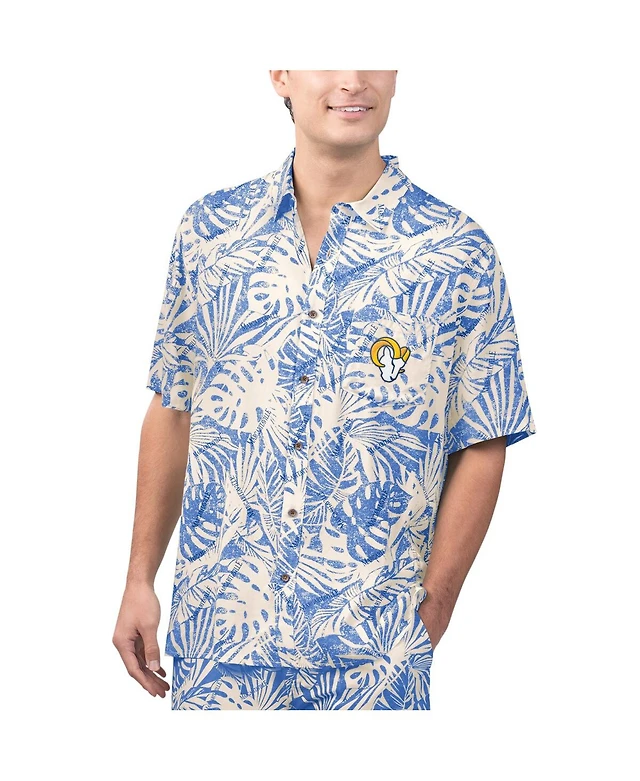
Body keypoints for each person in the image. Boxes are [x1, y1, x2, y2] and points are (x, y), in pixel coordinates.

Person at [112, 70, 537, 710]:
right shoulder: (210, 233)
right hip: (218, 643)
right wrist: (139, 578)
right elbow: (174, 409)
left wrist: (435, 609)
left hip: (374, 658)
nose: (353, 80)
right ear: (281, 74)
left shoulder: (456, 251)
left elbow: (483, 438)